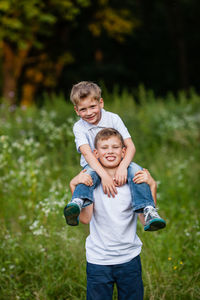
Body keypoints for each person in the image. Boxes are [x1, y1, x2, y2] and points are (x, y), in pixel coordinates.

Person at [69, 128, 160, 300]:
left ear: (124, 151)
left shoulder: (134, 182)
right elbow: (85, 219)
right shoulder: (91, 183)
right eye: (104, 148)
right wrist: (73, 186)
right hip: (99, 260)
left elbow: (143, 220)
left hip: (129, 258)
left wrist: (152, 185)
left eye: (115, 147)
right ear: (95, 153)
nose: (110, 151)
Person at [64, 81, 166, 231]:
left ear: (101, 103)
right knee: (87, 177)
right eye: (83, 109)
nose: (89, 112)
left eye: (92, 107)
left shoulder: (113, 118)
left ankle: (149, 210)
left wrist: (123, 167)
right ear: (76, 111)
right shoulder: (79, 127)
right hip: (93, 165)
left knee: (137, 172)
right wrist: (104, 176)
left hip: (119, 163)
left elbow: (130, 146)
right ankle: (78, 202)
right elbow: (87, 154)